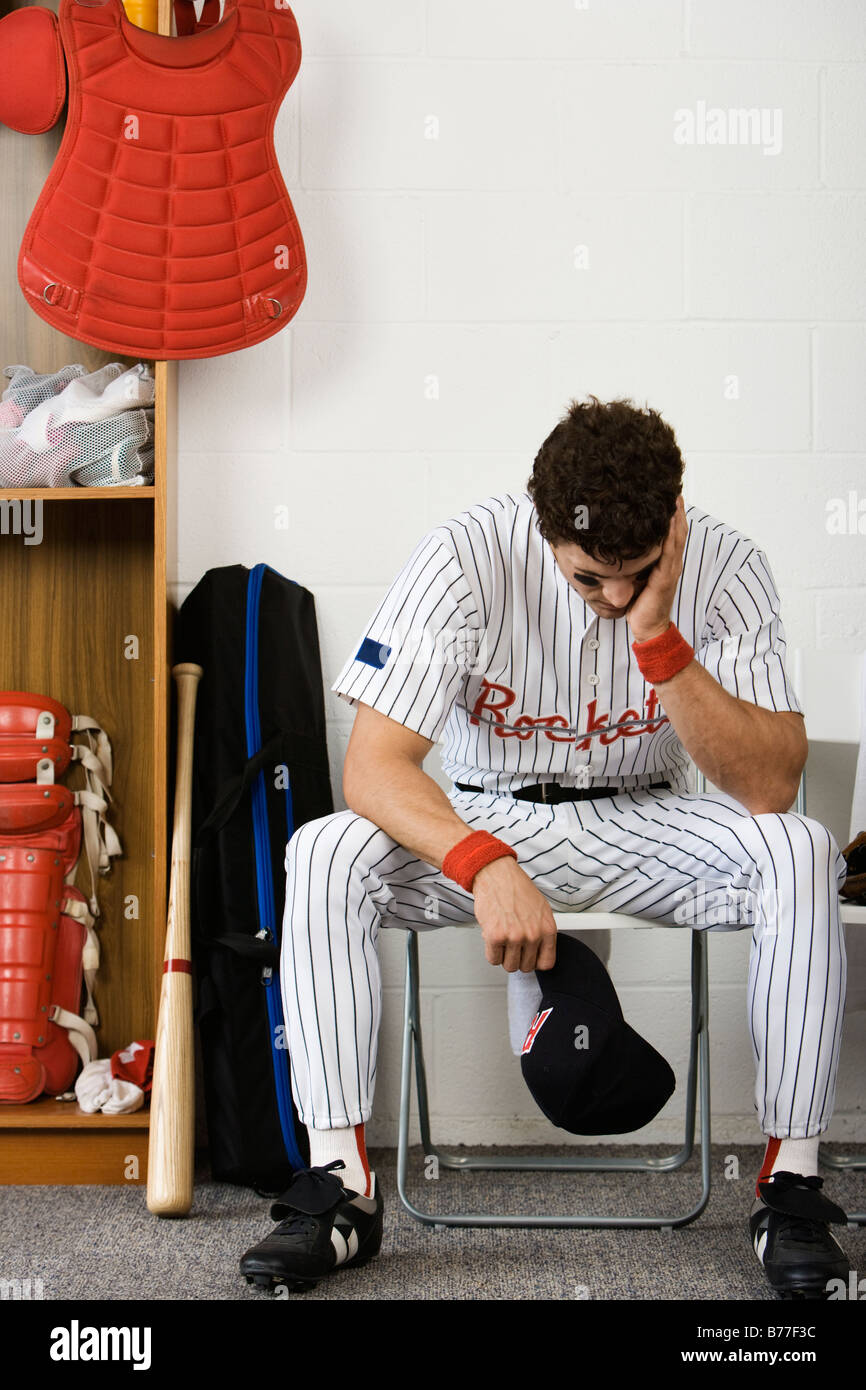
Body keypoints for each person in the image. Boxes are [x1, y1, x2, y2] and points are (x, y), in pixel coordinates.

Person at [239, 395, 851, 1300]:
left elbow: (769, 786)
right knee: (328, 848)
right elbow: (373, 769)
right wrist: (483, 863)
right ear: (541, 531)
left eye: (634, 576)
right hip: (489, 817)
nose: (609, 601)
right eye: (585, 580)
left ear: (674, 526)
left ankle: (790, 1185)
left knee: (800, 848)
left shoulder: (729, 564)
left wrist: (658, 636)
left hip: (647, 819)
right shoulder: (467, 551)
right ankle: (342, 1190)